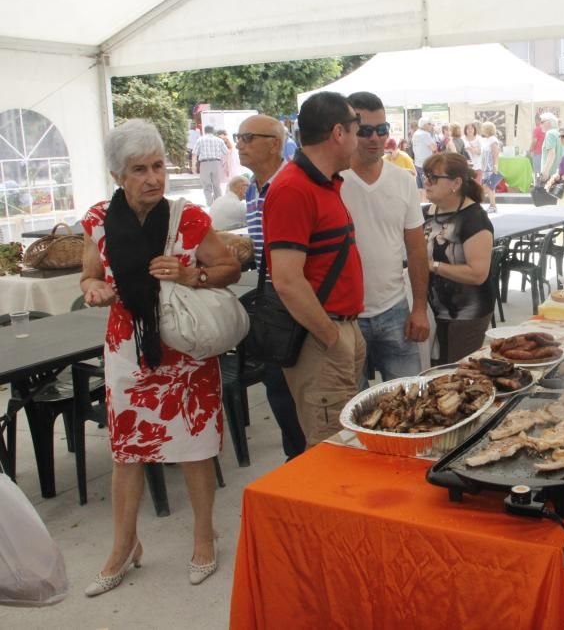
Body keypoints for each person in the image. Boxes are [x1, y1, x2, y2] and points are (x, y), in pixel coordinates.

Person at [79, 120, 241, 596]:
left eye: (157, 166)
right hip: (127, 348)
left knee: (195, 448)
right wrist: (93, 288)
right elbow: (89, 274)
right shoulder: (97, 220)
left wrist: (192, 276)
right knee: (127, 452)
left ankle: (203, 537)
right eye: (139, 169)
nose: (153, 178)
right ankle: (124, 546)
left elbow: (229, 267)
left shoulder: (187, 218)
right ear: (118, 176)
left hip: (185, 347)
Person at [264, 92, 366, 448]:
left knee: (348, 439)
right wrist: (331, 337)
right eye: (357, 129)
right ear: (339, 133)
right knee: (331, 447)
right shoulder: (294, 188)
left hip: (341, 329)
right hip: (322, 337)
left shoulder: (325, 182)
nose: (361, 139)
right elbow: (287, 280)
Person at [342, 91, 430, 385]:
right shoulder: (333, 182)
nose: (375, 138)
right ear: (347, 131)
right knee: (351, 410)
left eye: (382, 130)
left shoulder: (403, 180)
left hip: (394, 309)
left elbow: (417, 250)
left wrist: (419, 307)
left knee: (410, 399)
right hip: (345, 318)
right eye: (365, 131)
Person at [237, 113, 306, 459]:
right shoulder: (253, 186)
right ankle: (297, 463)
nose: (240, 145)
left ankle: (306, 466)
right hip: (272, 300)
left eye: (250, 138)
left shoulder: (291, 183)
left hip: (296, 298)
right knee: (278, 389)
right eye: (239, 138)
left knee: (299, 393)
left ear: (276, 143)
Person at [423, 152, 495, 363]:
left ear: (455, 182)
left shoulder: (474, 219)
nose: (426, 183)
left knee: (455, 375)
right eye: (425, 177)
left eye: (433, 178)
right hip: (431, 311)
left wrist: (432, 265)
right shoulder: (427, 212)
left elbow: (477, 274)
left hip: (466, 314)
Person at [193, 126, 229, 205]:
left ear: (204, 131)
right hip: (217, 163)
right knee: (217, 186)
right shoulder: (219, 140)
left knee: (206, 186)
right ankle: (218, 204)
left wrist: (194, 166)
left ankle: (209, 205)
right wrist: (227, 166)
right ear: (213, 132)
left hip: (204, 163)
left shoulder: (200, 140)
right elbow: (227, 153)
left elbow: (194, 154)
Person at [479, 121, 502, 213]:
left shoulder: (493, 139)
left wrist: (495, 166)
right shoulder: (487, 139)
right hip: (485, 167)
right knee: (488, 187)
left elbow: (495, 154)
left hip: (489, 167)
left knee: (490, 187)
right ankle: (492, 205)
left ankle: (493, 205)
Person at [411, 117, 438, 189]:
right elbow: (434, 148)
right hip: (425, 165)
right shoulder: (425, 134)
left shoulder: (416, 133)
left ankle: (421, 200)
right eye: (430, 124)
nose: (431, 126)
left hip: (417, 164)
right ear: (425, 125)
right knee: (427, 188)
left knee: (420, 188)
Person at [539, 112, 564, 184]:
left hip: (550, 174)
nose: (540, 125)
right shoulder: (559, 133)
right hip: (558, 174)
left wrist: (545, 172)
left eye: (542, 122)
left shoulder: (550, 133)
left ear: (549, 122)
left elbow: (551, 153)